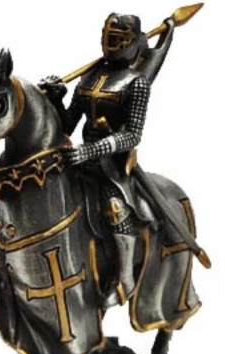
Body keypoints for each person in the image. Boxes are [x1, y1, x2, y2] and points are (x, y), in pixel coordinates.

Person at [40, 13, 175, 308]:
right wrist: (55, 98)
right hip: (78, 159)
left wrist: (91, 150)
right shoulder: (90, 77)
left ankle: (124, 280)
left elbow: (132, 135)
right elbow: (67, 125)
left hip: (113, 165)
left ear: (134, 42)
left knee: (114, 207)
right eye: (109, 37)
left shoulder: (137, 83)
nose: (112, 44)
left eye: (119, 39)